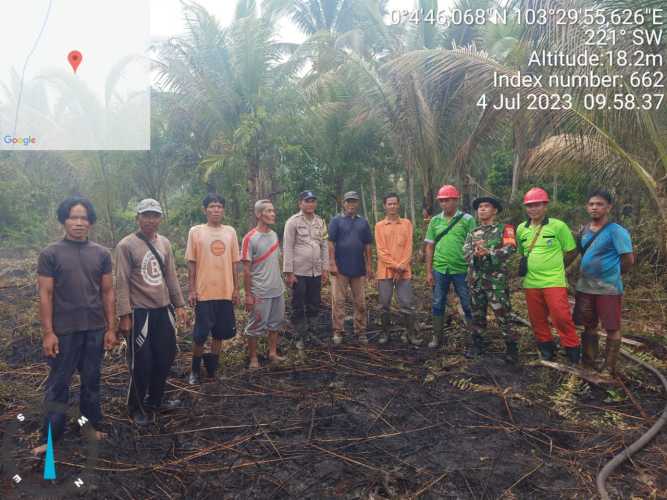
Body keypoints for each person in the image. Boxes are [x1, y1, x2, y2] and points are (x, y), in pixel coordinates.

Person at [33, 196, 117, 455]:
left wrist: (111, 328)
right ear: (64, 220)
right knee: (59, 384)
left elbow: (107, 293)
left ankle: (90, 426)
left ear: (90, 222)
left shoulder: (101, 253)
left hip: (94, 328)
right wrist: (48, 333)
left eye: (84, 218)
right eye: (73, 217)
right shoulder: (50, 254)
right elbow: (45, 294)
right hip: (64, 331)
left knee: (91, 381)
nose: (79, 223)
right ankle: (50, 437)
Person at [115, 199, 187, 425]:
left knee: (165, 355)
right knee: (141, 362)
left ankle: (156, 399)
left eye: (154, 216)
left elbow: (171, 276)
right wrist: (124, 315)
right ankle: (136, 406)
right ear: (137, 218)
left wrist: (180, 305)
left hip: (163, 309)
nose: (150, 220)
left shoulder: (164, 243)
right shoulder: (126, 245)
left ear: (160, 219)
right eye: (145, 216)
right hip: (140, 312)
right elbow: (121, 282)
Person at [573, 190, 634, 376]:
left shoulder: (617, 231)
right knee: (589, 325)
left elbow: (628, 259)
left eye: (599, 204)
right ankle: (589, 362)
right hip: (585, 288)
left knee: (612, 327)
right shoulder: (583, 230)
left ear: (608, 207)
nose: (594, 207)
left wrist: (613, 275)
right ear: (587, 207)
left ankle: (609, 368)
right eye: (591, 204)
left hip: (608, 289)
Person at [517, 187, 580, 363]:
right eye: (529, 205)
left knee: (561, 317)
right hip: (531, 282)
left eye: (537, 205)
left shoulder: (558, 226)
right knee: (537, 319)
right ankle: (546, 349)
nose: (532, 209)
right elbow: (522, 252)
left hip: (554, 281)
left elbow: (571, 251)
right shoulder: (521, 228)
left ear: (545, 206)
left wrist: (557, 267)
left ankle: (572, 350)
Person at [186, 194, 241, 384]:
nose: (216, 209)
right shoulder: (196, 232)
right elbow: (191, 264)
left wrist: (236, 289)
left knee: (220, 333)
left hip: (225, 291)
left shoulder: (230, 232)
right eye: (212, 206)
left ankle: (212, 370)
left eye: (219, 206)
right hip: (204, 292)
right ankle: (194, 370)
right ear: (205, 210)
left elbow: (235, 263)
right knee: (200, 335)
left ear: (223, 210)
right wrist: (192, 290)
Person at [463, 197, 518, 363]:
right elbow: (465, 253)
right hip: (476, 280)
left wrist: (490, 254)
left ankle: (511, 349)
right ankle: (478, 346)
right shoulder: (473, 233)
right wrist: (475, 255)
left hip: (496, 282)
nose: (482, 209)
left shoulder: (505, 229)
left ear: (495, 210)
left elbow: (510, 248)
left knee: (503, 315)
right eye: (480, 207)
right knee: (477, 315)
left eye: (486, 206)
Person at [424, 184, 476, 348]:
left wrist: (473, 270)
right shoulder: (435, 221)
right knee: (438, 302)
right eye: (442, 201)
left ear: (456, 200)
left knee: (467, 303)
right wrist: (429, 272)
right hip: (440, 269)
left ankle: (472, 338)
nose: (444, 204)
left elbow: (475, 245)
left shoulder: (467, 220)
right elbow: (430, 247)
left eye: (447, 200)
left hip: (462, 269)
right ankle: (437, 337)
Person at [242, 200, 286, 369]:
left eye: (273, 211)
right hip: (259, 291)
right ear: (259, 214)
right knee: (255, 326)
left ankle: (272, 353)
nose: (273, 214)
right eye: (268, 211)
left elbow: (276, 261)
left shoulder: (274, 235)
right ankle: (253, 358)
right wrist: (248, 295)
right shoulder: (250, 238)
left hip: (277, 289)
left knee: (275, 323)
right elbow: (246, 270)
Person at [283, 190, 329, 350]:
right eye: (306, 201)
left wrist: (325, 269)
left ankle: (312, 333)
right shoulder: (292, 222)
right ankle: (300, 335)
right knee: (298, 304)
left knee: (314, 303)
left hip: (315, 271)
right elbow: (287, 247)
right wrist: (289, 272)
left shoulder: (320, 222)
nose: (310, 204)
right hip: (299, 272)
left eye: (312, 201)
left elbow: (324, 246)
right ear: (300, 203)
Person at [328, 191, 373, 345]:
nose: (351, 205)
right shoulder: (336, 221)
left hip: (358, 268)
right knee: (338, 301)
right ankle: (338, 331)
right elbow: (330, 243)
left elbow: (367, 245)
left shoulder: (363, 223)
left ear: (357, 204)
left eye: (354, 202)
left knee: (360, 302)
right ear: (344, 204)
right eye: (348, 202)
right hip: (340, 268)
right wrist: (332, 263)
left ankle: (360, 330)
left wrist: (369, 265)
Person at [375, 192, 418, 344]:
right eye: (389, 203)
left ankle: (410, 334)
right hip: (385, 271)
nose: (392, 206)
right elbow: (381, 251)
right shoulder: (379, 226)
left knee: (407, 304)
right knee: (384, 304)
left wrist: (402, 267)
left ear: (398, 205)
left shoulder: (406, 223)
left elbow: (409, 247)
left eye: (395, 203)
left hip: (404, 272)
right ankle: (384, 333)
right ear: (385, 206)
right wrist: (395, 266)